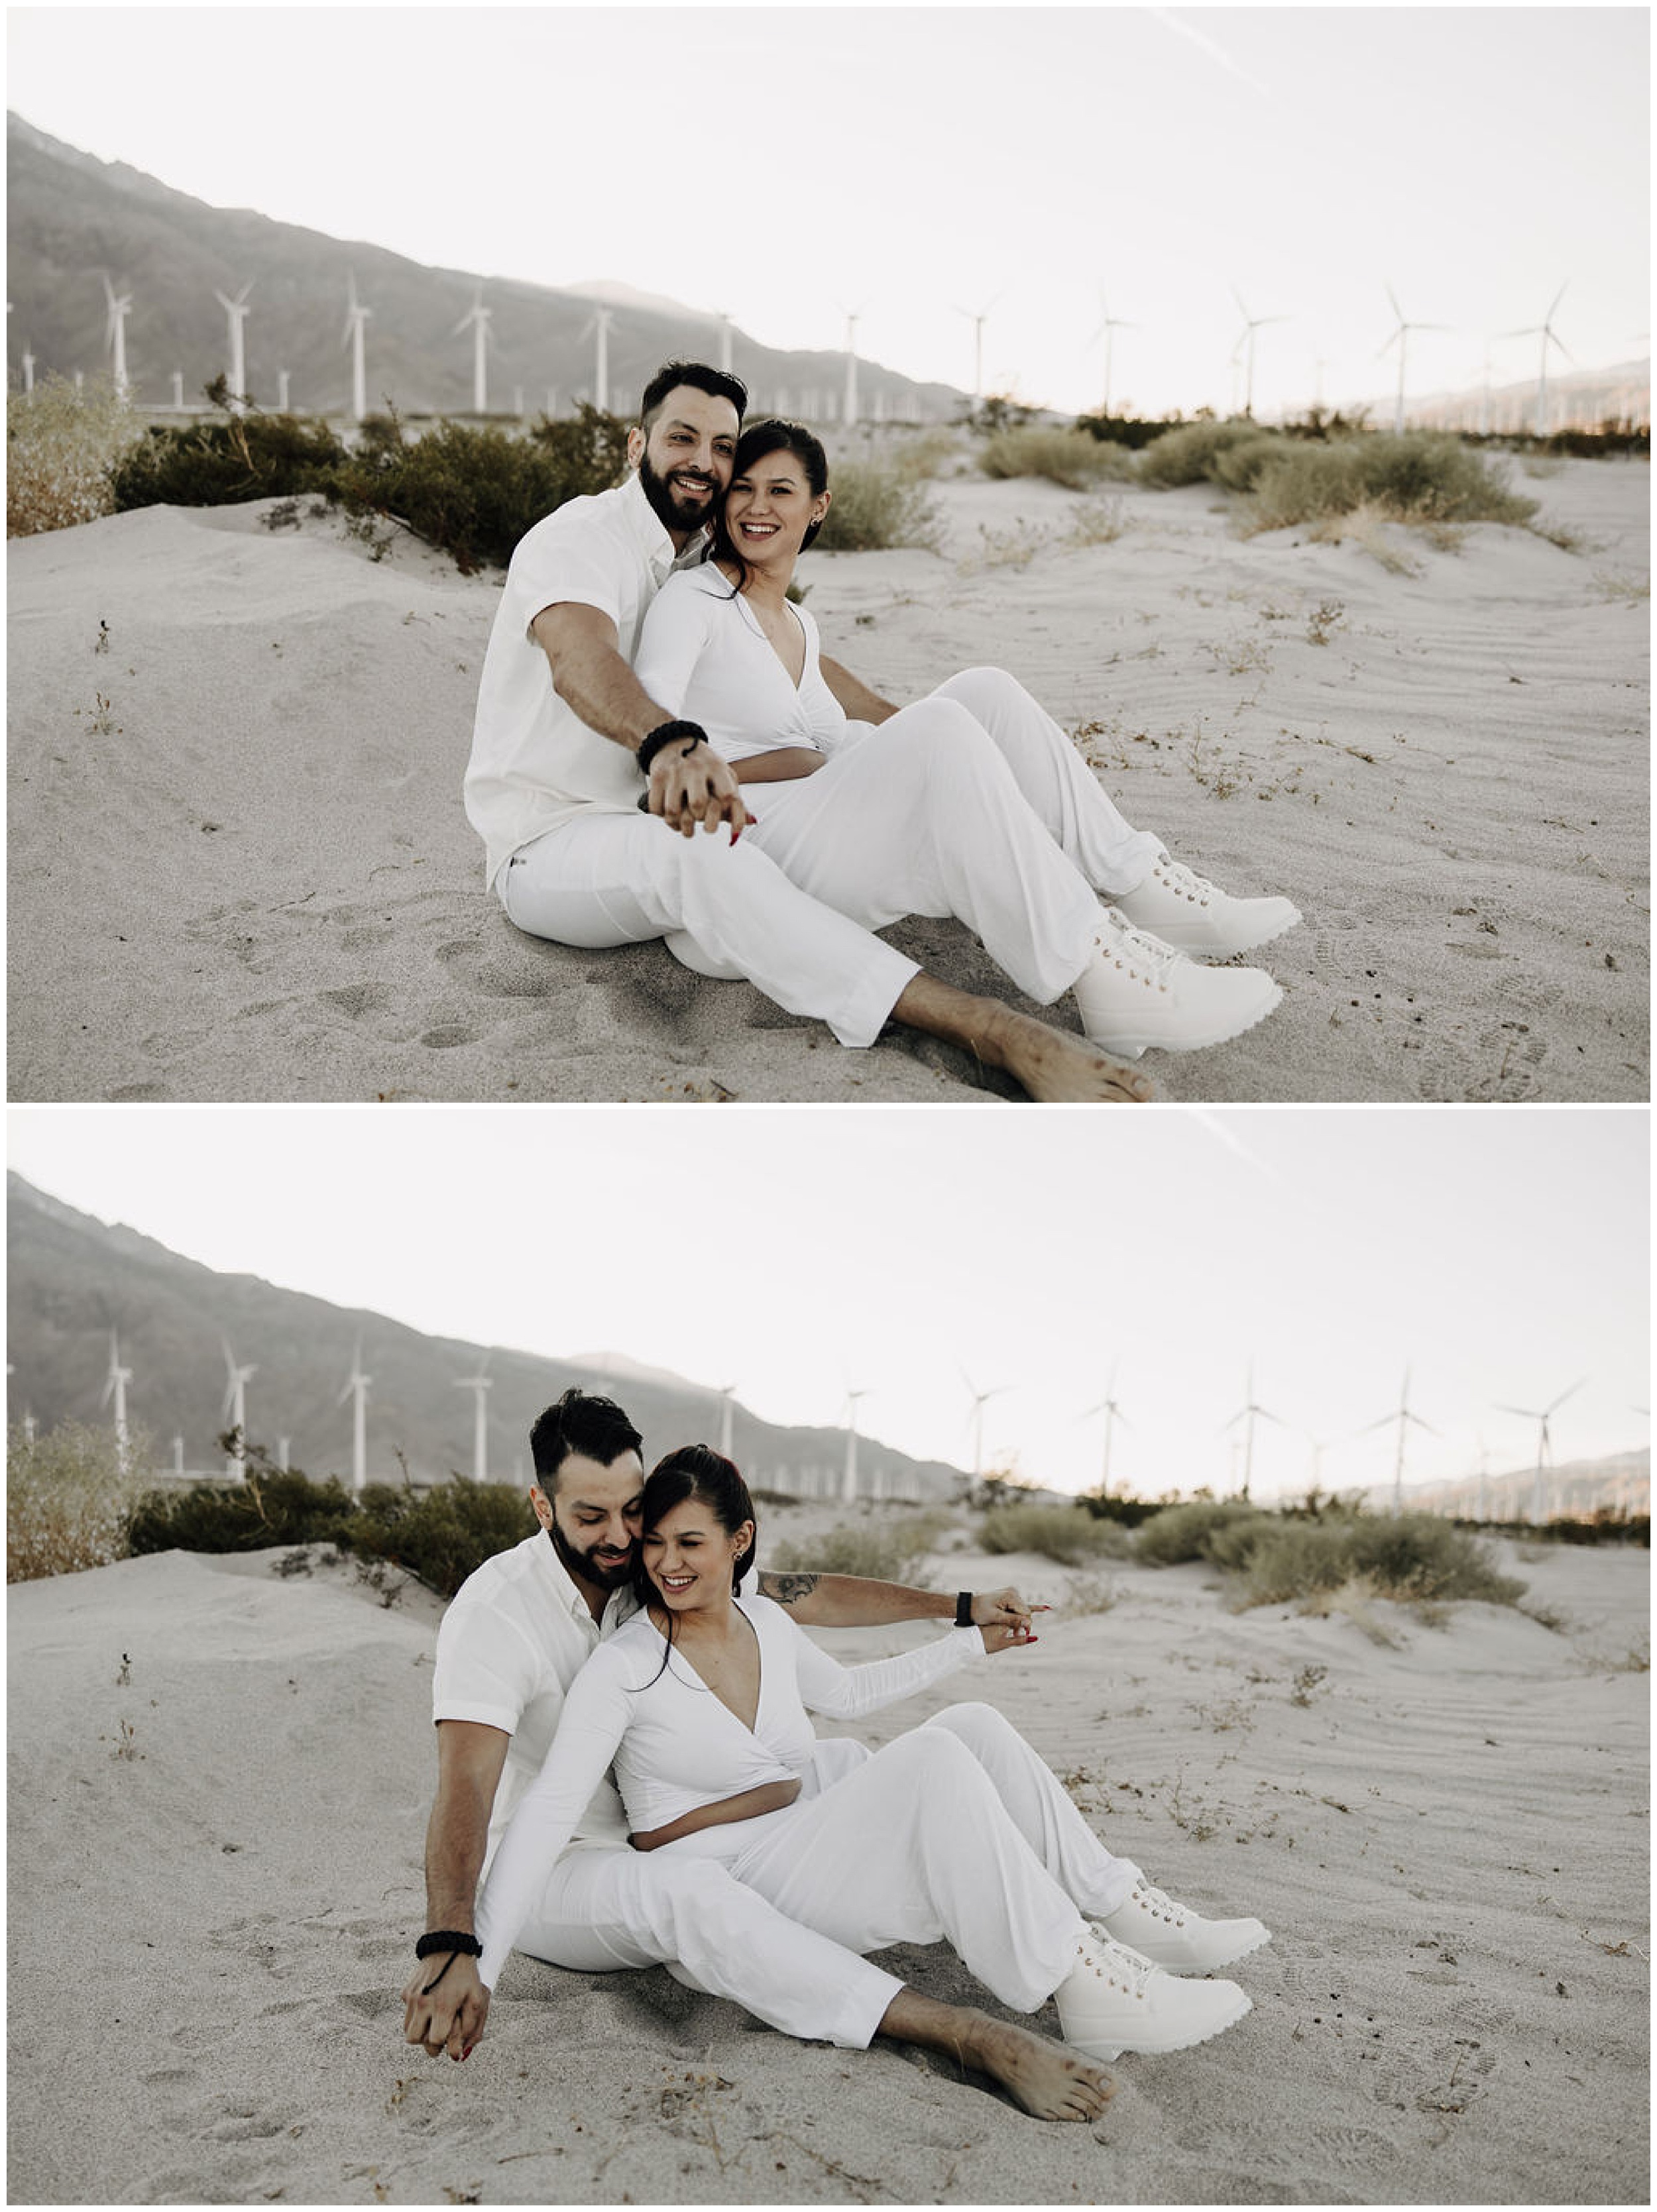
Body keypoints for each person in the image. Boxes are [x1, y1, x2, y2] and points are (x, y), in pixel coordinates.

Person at [401, 1393, 1267, 2122]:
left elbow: (809, 1601)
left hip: (699, 1812)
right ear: (542, 1506)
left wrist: (962, 1612)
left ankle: (1119, 1912)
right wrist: (461, 1949)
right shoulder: (501, 1614)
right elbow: (478, 1794)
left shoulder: (654, 1564)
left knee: (954, 1734)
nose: (629, 1536)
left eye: (639, 1511)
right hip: (576, 1867)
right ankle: (995, 2017)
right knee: (698, 1883)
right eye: (594, 1516)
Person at [463, 361, 1300, 1104]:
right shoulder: (583, 538)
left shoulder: (696, 559)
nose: (707, 463)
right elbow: (581, 658)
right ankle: (1012, 1017)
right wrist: (673, 744)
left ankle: (1141, 887)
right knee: (692, 852)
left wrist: (934, 736)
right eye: (683, 438)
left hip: (700, 811)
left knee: (976, 697)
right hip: (562, 834)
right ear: (636, 441)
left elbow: (797, 665)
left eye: (724, 447)